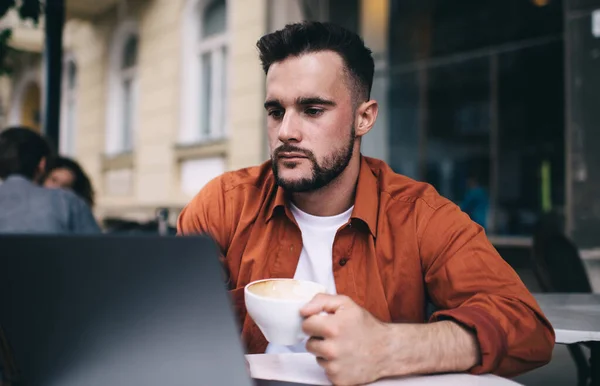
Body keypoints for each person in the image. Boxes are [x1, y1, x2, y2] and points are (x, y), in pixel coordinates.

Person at [178, 22, 554, 385]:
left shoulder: (419, 215)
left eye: (312, 110)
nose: (286, 132)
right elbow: (167, 323)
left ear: (364, 118)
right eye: (276, 111)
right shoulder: (224, 205)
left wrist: (389, 347)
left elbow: (526, 326)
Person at [0, 127, 101, 234]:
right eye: (54, 180)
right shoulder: (68, 203)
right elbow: (97, 248)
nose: (57, 188)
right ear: (42, 164)